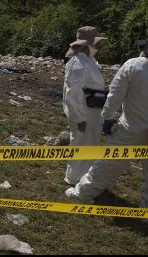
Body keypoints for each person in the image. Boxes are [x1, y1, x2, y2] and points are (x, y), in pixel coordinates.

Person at [65, 32, 148, 225]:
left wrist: (107, 117)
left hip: (132, 128)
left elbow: (115, 96)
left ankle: (82, 193)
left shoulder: (133, 65)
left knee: (107, 165)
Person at [63, 26, 108, 185]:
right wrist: (80, 118)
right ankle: (74, 179)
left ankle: (84, 179)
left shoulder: (90, 61)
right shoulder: (78, 63)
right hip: (83, 113)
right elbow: (72, 93)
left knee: (90, 145)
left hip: (93, 112)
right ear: (86, 45)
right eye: (95, 43)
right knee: (80, 144)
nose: (97, 47)